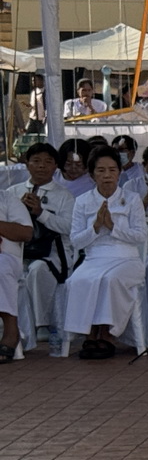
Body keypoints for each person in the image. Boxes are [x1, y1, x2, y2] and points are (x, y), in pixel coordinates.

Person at [63, 145, 148, 358]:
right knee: (78, 280)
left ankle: (107, 334)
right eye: (101, 170)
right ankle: (89, 333)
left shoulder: (132, 199)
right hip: (94, 258)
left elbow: (140, 236)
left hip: (126, 258)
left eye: (112, 170)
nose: (107, 175)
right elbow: (76, 241)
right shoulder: (82, 201)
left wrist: (113, 226)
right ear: (91, 174)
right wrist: (94, 228)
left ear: (119, 172)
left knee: (110, 280)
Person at [8, 143, 74, 346]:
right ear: (27, 164)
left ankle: (40, 324)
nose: (41, 166)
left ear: (56, 166)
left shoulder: (64, 196)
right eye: (36, 161)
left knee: (37, 270)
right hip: (19, 251)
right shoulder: (13, 192)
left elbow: (69, 227)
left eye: (47, 162)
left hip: (53, 253)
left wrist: (41, 213)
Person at [0, 187, 31, 362]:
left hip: (6, 257)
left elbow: (26, 233)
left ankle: (11, 331)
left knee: (0, 268)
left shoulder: (7, 199)